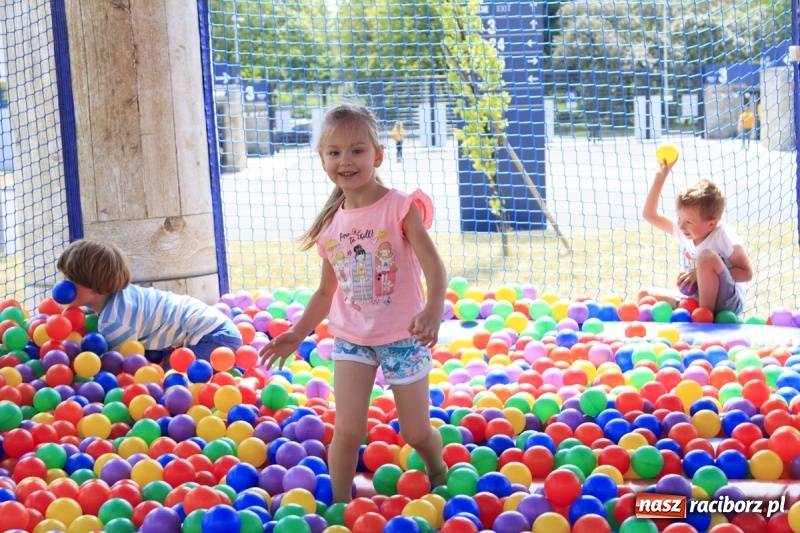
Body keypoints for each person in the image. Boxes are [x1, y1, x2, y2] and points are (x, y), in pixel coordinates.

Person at [258, 102, 447, 502]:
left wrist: (432, 310)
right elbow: (327, 292)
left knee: (414, 431)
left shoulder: (398, 207)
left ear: (377, 155)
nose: (346, 160)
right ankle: (340, 506)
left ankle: (436, 464)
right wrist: (296, 333)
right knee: (346, 429)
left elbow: (434, 265)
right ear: (323, 159)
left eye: (357, 150)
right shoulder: (331, 224)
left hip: (402, 336)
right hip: (352, 339)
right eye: (335, 152)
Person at [57, 239, 242, 363]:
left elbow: (119, 365)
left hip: (214, 337)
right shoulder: (115, 299)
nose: (63, 286)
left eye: (69, 279)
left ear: (93, 285)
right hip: (213, 326)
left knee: (175, 382)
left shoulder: (114, 322)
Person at [639, 159, 753, 315]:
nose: (680, 226)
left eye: (689, 222)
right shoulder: (685, 232)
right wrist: (661, 176)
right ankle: (698, 313)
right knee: (644, 295)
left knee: (706, 258)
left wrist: (700, 273)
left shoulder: (722, 235)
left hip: (727, 303)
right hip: (695, 297)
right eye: (679, 218)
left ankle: (703, 317)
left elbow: (746, 273)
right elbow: (649, 215)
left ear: (711, 224)